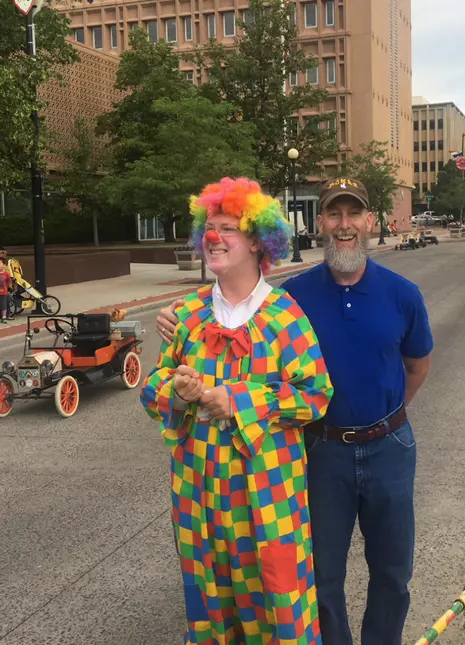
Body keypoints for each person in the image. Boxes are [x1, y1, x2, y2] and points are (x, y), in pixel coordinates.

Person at [156, 177, 434, 645]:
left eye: (354, 214)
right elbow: (242, 303)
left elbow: (418, 365)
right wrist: (177, 316)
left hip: (389, 447)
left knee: (392, 570)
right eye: (333, 215)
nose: (344, 225)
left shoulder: (403, 293)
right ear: (320, 223)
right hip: (323, 451)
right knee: (319, 574)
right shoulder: (295, 298)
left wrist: (386, 419)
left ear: (370, 222)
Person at [140, 177, 333, 644]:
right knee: (210, 597)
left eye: (226, 227)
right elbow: (152, 390)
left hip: (267, 495)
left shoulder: (285, 317)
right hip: (198, 494)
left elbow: (316, 395)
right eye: (209, 226)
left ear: (254, 240)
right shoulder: (187, 316)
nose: (212, 236)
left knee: (277, 598)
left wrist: (239, 400)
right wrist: (178, 391)